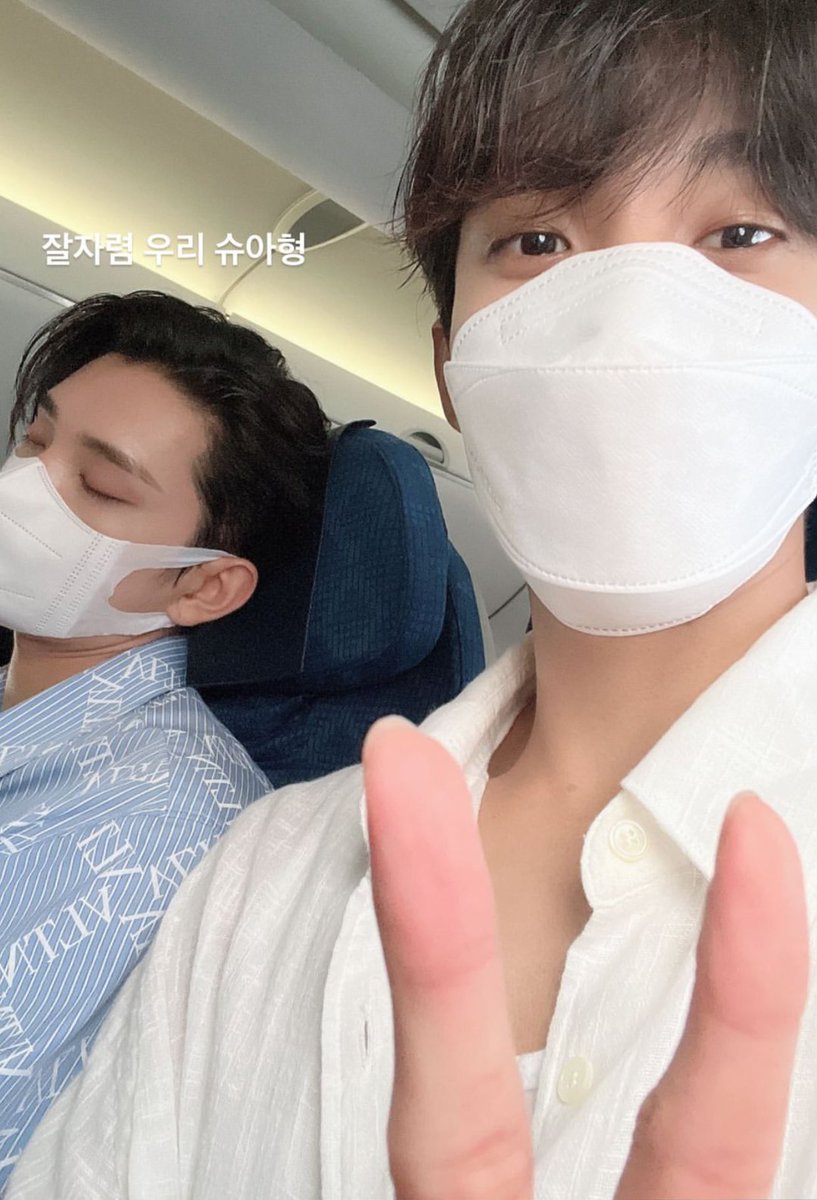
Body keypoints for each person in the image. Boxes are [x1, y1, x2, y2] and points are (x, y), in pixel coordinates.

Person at [7, 1, 817, 1197]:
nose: (627, 317)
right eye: (536, 242)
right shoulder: (262, 878)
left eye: (740, 231)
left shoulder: (182, 822)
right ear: (450, 365)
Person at [0, 290, 330, 1186]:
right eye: (36, 440)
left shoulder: (170, 833)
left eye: (100, 487)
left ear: (201, 588)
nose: (28, 488)